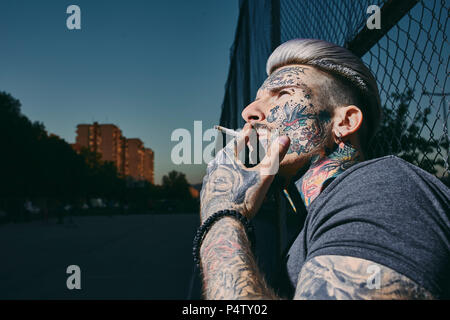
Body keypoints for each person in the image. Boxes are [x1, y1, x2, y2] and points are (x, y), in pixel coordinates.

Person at [198, 39, 450, 299]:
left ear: (345, 121)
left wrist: (222, 216)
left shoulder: (381, 189)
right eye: (256, 99)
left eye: (283, 94)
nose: (248, 112)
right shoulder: (321, 215)